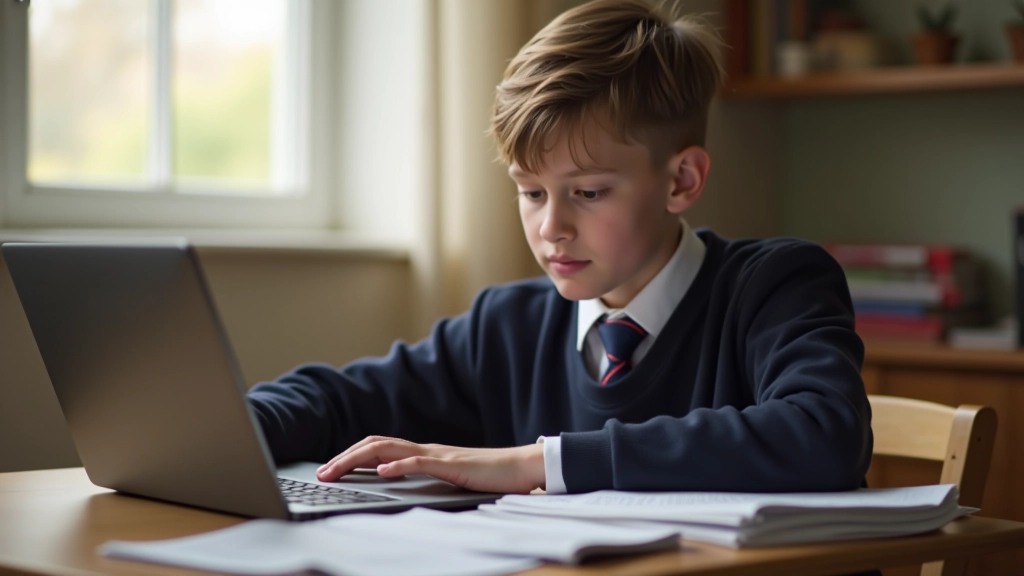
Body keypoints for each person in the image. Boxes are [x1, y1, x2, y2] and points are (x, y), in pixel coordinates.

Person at [247, 0, 873, 497]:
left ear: (681, 180)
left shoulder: (777, 284)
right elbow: (338, 400)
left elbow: (823, 433)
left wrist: (539, 463)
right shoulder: (510, 326)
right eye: (531, 192)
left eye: (590, 192)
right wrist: (231, 431)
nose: (552, 227)